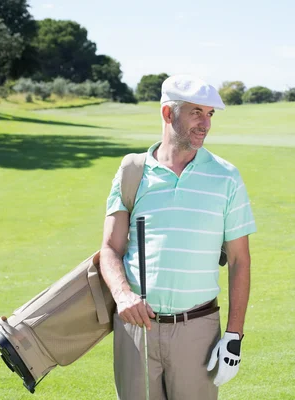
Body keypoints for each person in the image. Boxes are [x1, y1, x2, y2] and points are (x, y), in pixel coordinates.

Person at [100, 74, 256, 400]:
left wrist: (234, 335)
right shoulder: (132, 171)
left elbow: (240, 261)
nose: (205, 124)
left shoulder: (226, 176)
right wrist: (123, 295)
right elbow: (111, 248)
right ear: (168, 114)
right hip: (136, 330)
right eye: (196, 112)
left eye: (210, 114)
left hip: (198, 330)